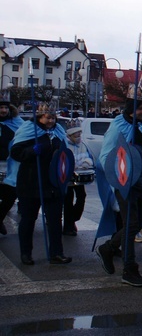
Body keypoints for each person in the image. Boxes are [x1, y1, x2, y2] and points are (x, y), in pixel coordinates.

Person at [95, 88, 142, 287]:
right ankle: (129, 270)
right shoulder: (118, 127)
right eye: (141, 109)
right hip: (126, 184)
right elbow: (106, 157)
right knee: (131, 225)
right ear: (131, 109)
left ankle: (109, 248)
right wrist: (120, 179)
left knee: (136, 225)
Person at [8, 102, 71, 265]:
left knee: (55, 220)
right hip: (31, 182)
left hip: (52, 183)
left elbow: (64, 154)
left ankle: (56, 253)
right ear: (39, 117)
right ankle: (26, 253)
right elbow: (15, 152)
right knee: (29, 219)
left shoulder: (58, 132)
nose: (51, 121)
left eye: (53, 117)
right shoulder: (28, 131)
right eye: (47, 118)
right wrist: (31, 151)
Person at [63, 118, 94, 236]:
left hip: (79, 176)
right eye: (76, 134)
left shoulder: (82, 144)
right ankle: (68, 226)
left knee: (82, 196)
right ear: (70, 134)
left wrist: (86, 163)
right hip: (67, 177)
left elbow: (87, 156)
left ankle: (73, 218)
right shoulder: (64, 144)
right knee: (68, 200)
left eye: (79, 133)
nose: (79, 135)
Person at [0, 94, 24, 235]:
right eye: (0, 108)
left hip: (11, 165)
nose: (3, 110)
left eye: (5, 108)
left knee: (11, 195)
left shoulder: (16, 122)